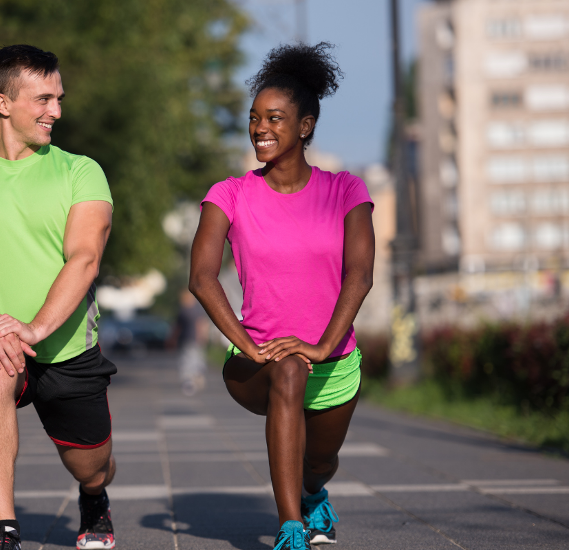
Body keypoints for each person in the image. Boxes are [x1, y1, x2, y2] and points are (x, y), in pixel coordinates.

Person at [0, 45, 117, 550]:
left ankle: (94, 497)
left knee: (92, 464)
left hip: (69, 349)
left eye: (59, 98)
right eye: (44, 99)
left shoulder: (81, 171)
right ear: (4, 102)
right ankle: (4, 531)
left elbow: (84, 260)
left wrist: (32, 328)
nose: (57, 110)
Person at [189, 43, 374, 549]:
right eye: (254, 118)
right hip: (257, 361)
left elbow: (359, 275)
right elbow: (202, 277)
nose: (260, 128)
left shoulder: (346, 191)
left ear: (305, 126)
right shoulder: (229, 194)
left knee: (320, 461)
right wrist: (248, 346)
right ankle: (291, 527)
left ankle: (314, 492)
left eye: (274, 118)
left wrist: (320, 347)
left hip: (333, 361)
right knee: (288, 369)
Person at [169, 289, 210, 396]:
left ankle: (191, 381)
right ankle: (194, 378)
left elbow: (201, 324)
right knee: (192, 360)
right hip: (188, 340)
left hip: (191, 340)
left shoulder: (188, 310)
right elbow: (177, 327)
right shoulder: (189, 310)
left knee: (190, 361)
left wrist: (202, 336)